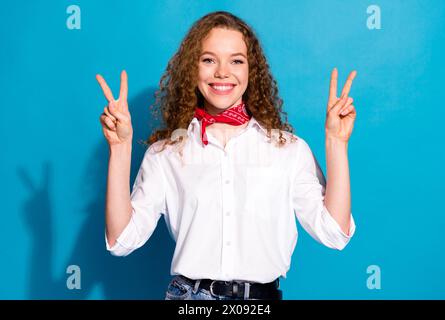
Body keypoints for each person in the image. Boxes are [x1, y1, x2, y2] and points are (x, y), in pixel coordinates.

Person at [96, 11, 357, 301]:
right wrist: (120, 149)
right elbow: (121, 241)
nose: (222, 72)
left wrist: (336, 142)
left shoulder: (289, 150)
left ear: (250, 70)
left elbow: (334, 233)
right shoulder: (166, 154)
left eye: (236, 60)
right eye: (208, 59)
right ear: (192, 69)